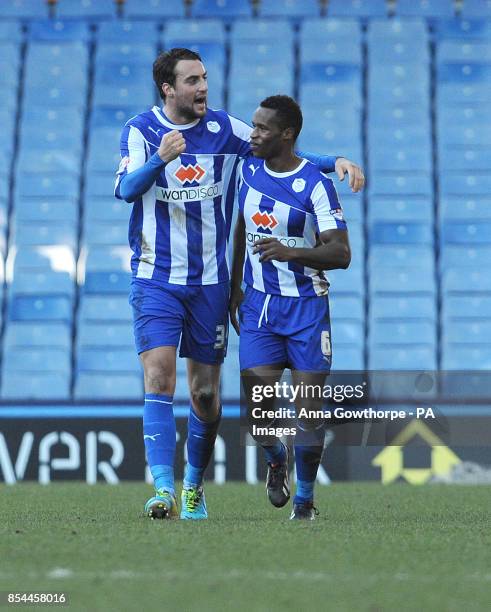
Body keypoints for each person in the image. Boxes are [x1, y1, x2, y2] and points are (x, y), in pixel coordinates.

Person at [114, 48, 363, 520]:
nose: (202, 87)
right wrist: (160, 160)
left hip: (210, 282)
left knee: (205, 395)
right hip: (156, 278)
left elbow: (283, 152)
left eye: (205, 77)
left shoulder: (226, 130)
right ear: (168, 89)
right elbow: (127, 190)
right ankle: (163, 490)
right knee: (158, 377)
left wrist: (335, 161)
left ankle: (194, 484)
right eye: (192, 80)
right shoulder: (140, 131)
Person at [229, 95, 351, 520]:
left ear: (287, 134)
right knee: (258, 413)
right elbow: (241, 228)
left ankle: (304, 501)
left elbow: (340, 254)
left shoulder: (316, 186)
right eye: (253, 125)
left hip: (307, 310)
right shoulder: (248, 167)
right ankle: (275, 456)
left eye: (262, 128)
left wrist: (290, 252)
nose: (253, 133)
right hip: (260, 307)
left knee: (308, 409)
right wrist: (233, 290)